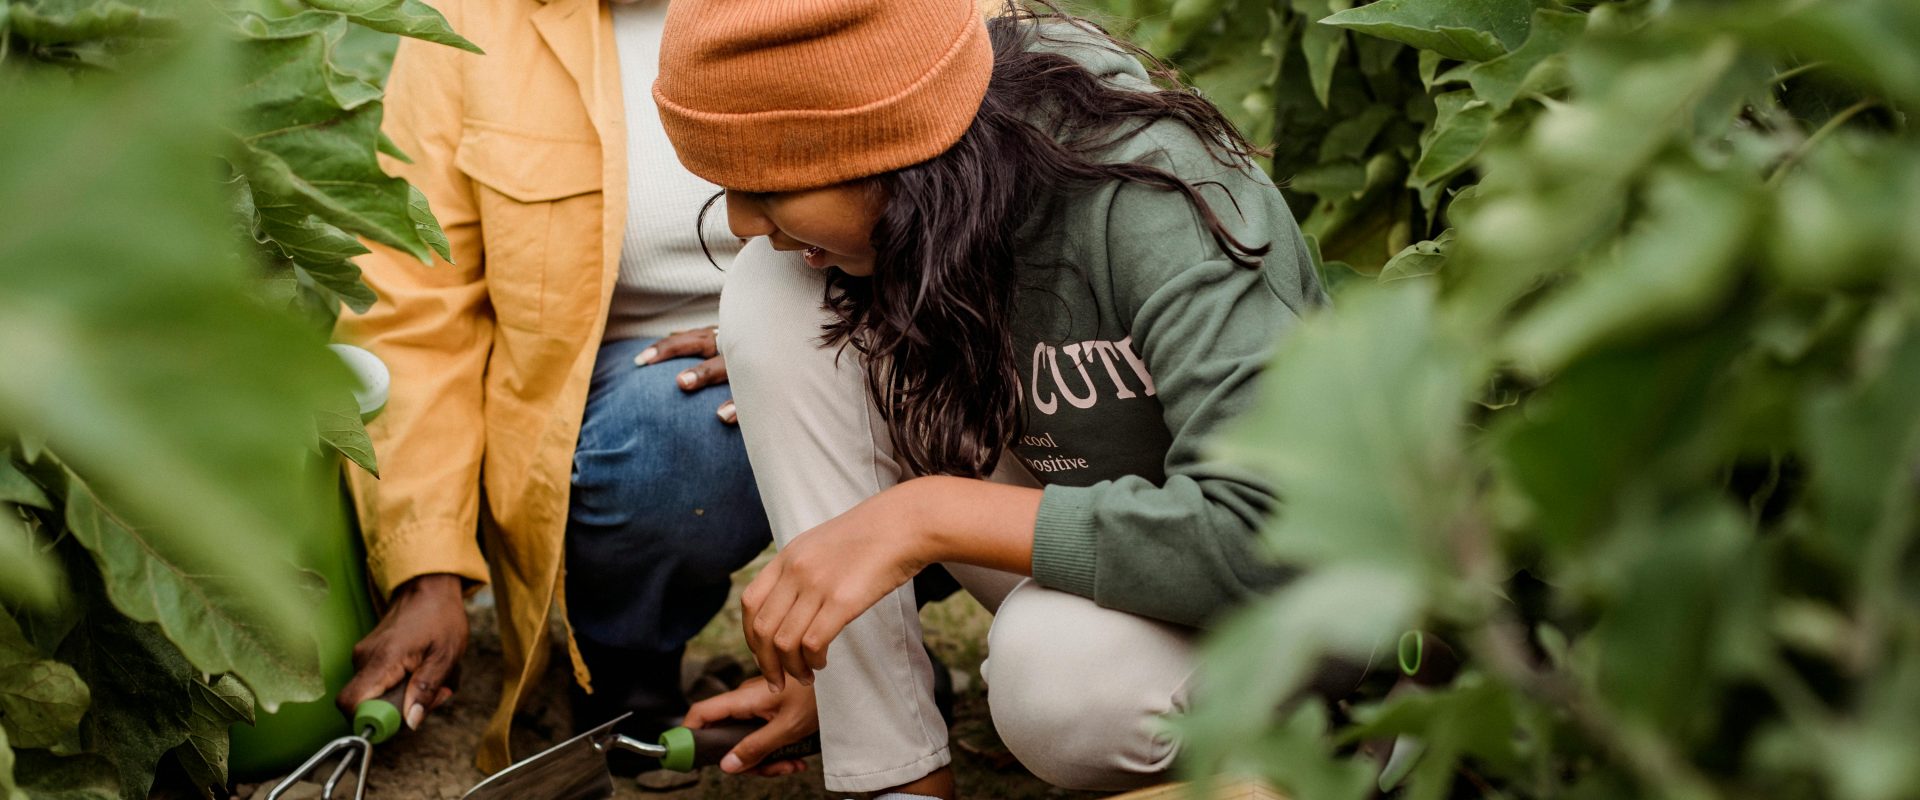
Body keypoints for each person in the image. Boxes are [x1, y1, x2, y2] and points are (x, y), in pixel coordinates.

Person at [651, 0, 1329, 796]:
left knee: (1060, 683)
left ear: (890, 145)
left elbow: (1274, 538)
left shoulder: (1158, 195)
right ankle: (893, 775)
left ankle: (1339, 737)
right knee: (771, 299)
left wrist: (925, 514)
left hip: (1291, 600)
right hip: (1103, 558)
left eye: (765, 186)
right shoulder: (935, 203)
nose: (738, 222)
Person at [332, 0, 772, 776]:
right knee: (671, 444)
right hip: (641, 371)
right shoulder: (470, 25)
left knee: (949, 413)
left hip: (866, 326)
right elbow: (414, 311)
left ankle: (868, 655)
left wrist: (800, 337)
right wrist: (427, 571)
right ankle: (624, 672)